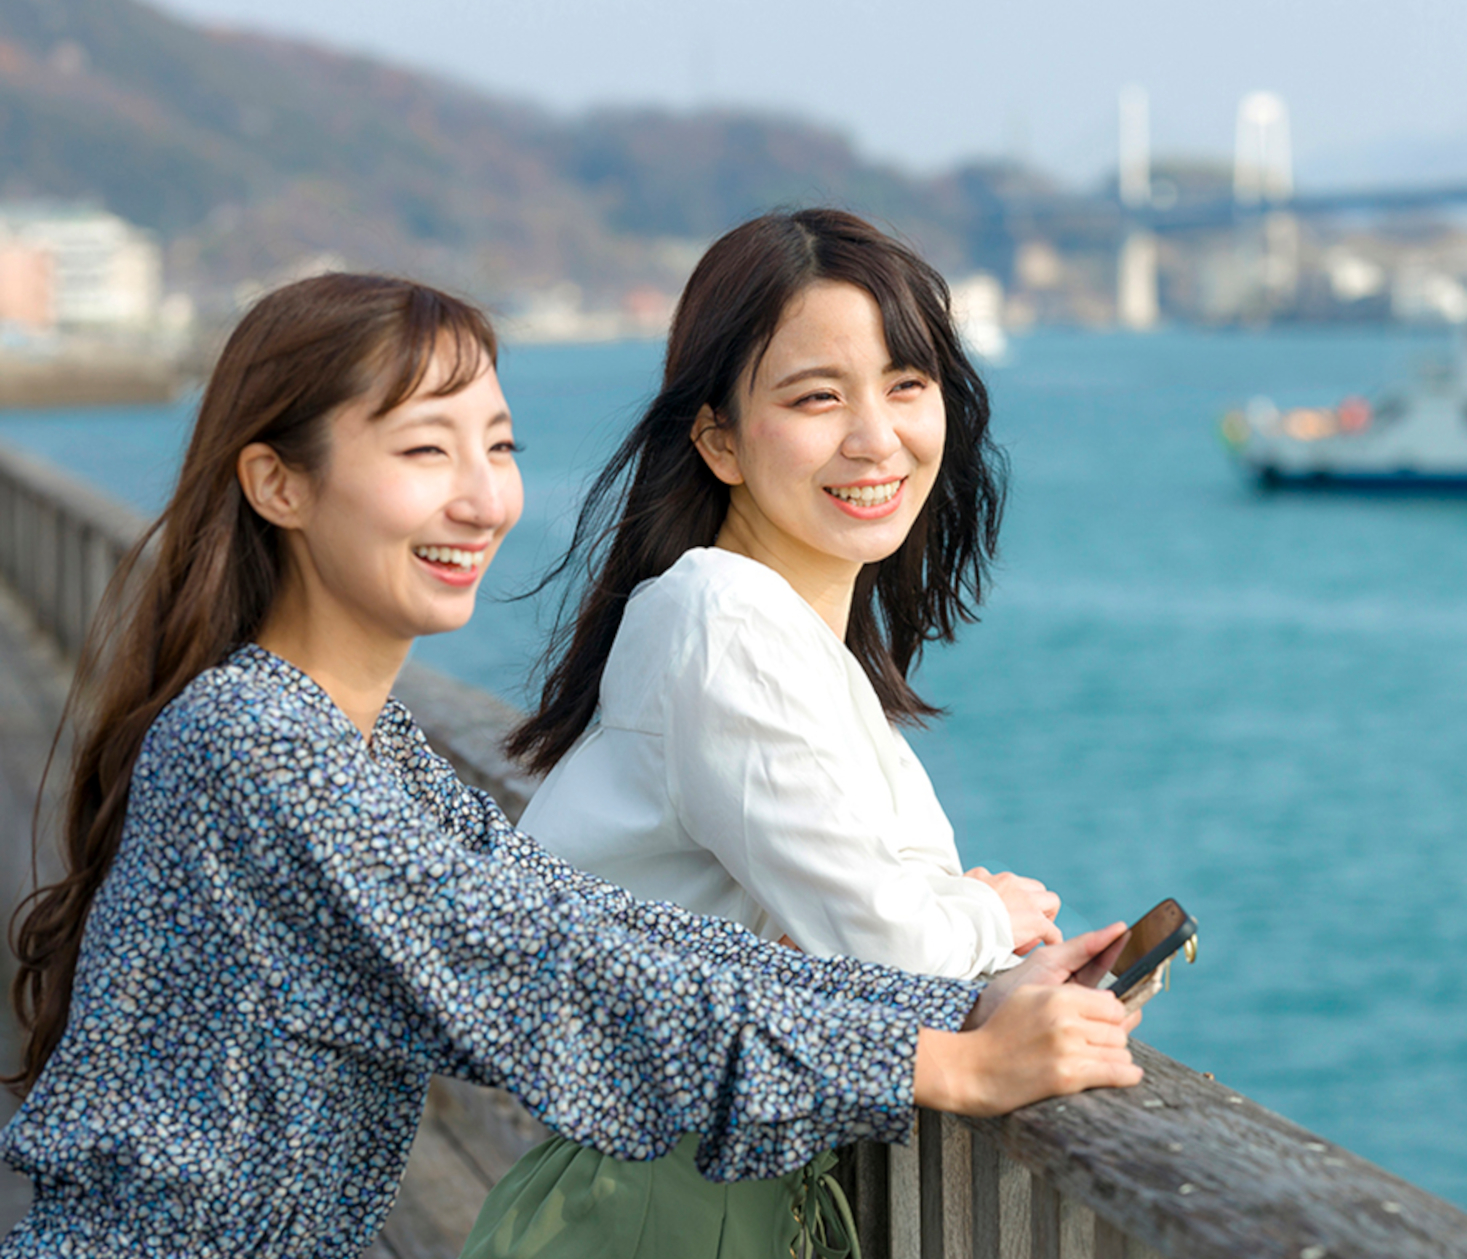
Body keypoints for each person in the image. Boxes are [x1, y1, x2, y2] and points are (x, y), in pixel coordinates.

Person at [0, 273, 1142, 1258]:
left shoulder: (367, 747)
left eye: (498, 447)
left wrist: (952, 998)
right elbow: (552, 975)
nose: (482, 496)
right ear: (278, 484)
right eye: (423, 448)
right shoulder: (257, 746)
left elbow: (604, 929)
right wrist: (936, 1064)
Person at [461, 210, 1081, 1257]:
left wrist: (968, 935)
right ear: (718, 439)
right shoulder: (721, 620)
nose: (875, 435)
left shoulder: (775, 636)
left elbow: (843, 937)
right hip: (656, 1210)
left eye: (905, 384)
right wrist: (983, 910)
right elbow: (882, 951)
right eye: (816, 396)